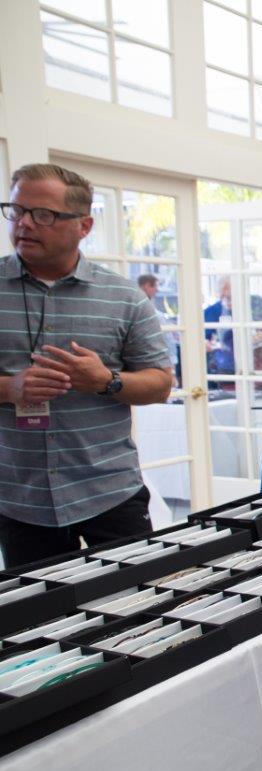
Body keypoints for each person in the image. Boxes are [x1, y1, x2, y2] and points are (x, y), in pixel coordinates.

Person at [0, 163, 173, 568]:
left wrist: (105, 381)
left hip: (110, 494)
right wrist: (10, 389)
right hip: (20, 501)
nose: (24, 224)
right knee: (43, 623)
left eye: (42, 214)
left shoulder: (125, 297)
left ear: (84, 225)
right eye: (15, 210)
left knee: (139, 609)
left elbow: (161, 384)